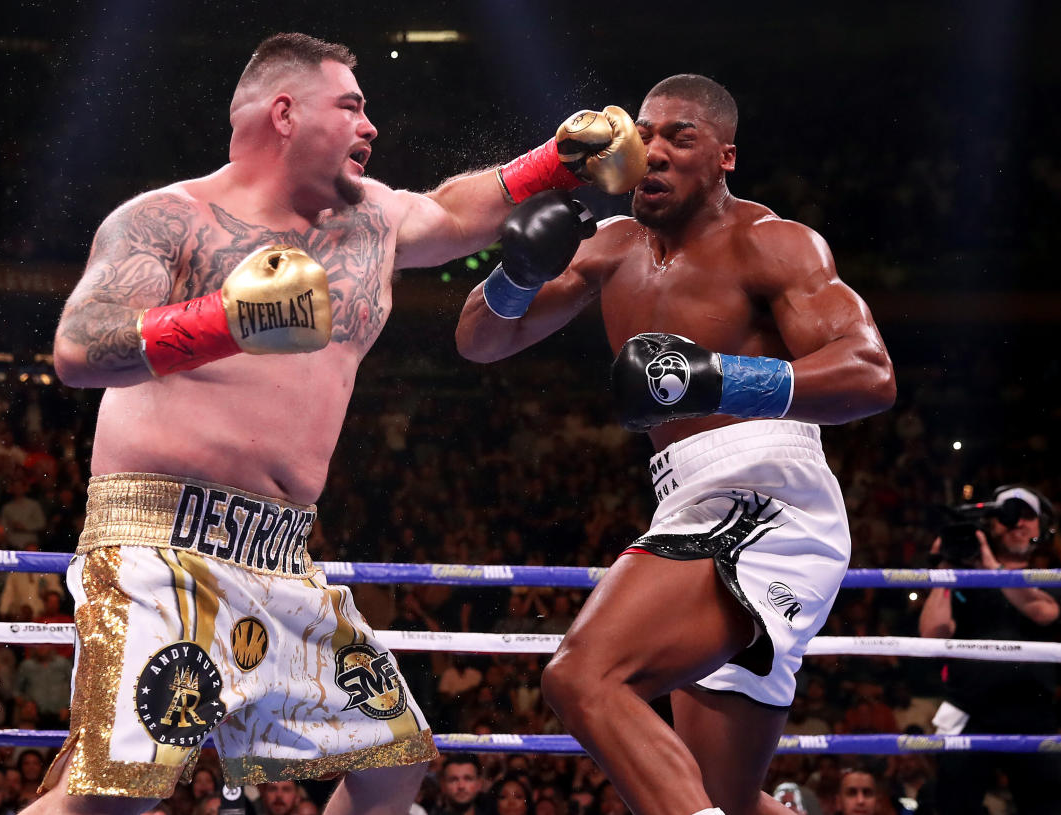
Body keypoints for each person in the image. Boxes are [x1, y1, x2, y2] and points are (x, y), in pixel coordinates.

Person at [32, 30, 644, 815]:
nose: (370, 125)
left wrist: (555, 160)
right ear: (284, 113)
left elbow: (457, 215)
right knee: (116, 796)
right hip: (160, 542)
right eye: (350, 105)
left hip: (283, 553)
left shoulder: (370, 221)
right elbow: (79, 348)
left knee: (392, 763)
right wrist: (230, 319)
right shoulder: (165, 219)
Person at [455, 73, 895, 815]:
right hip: (690, 498)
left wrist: (718, 380)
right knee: (715, 794)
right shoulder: (610, 246)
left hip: (765, 491)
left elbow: (870, 372)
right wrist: (517, 271)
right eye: (645, 133)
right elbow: (480, 340)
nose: (652, 151)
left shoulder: (771, 242)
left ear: (723, 157)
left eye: (678, 137)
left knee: (582, 676)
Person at [918, 484, 1061, 814]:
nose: (1018, 524)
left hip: (1032, 713)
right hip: (971, 711)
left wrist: (988, 563)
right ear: (992, 525)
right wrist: (945, 568)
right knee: (953, 807)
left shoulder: (1048, 578)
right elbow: (932, 634)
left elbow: (1044, 613)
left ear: (1043, 527)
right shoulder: (965, 578)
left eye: (1027, 517)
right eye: (1008, 517)